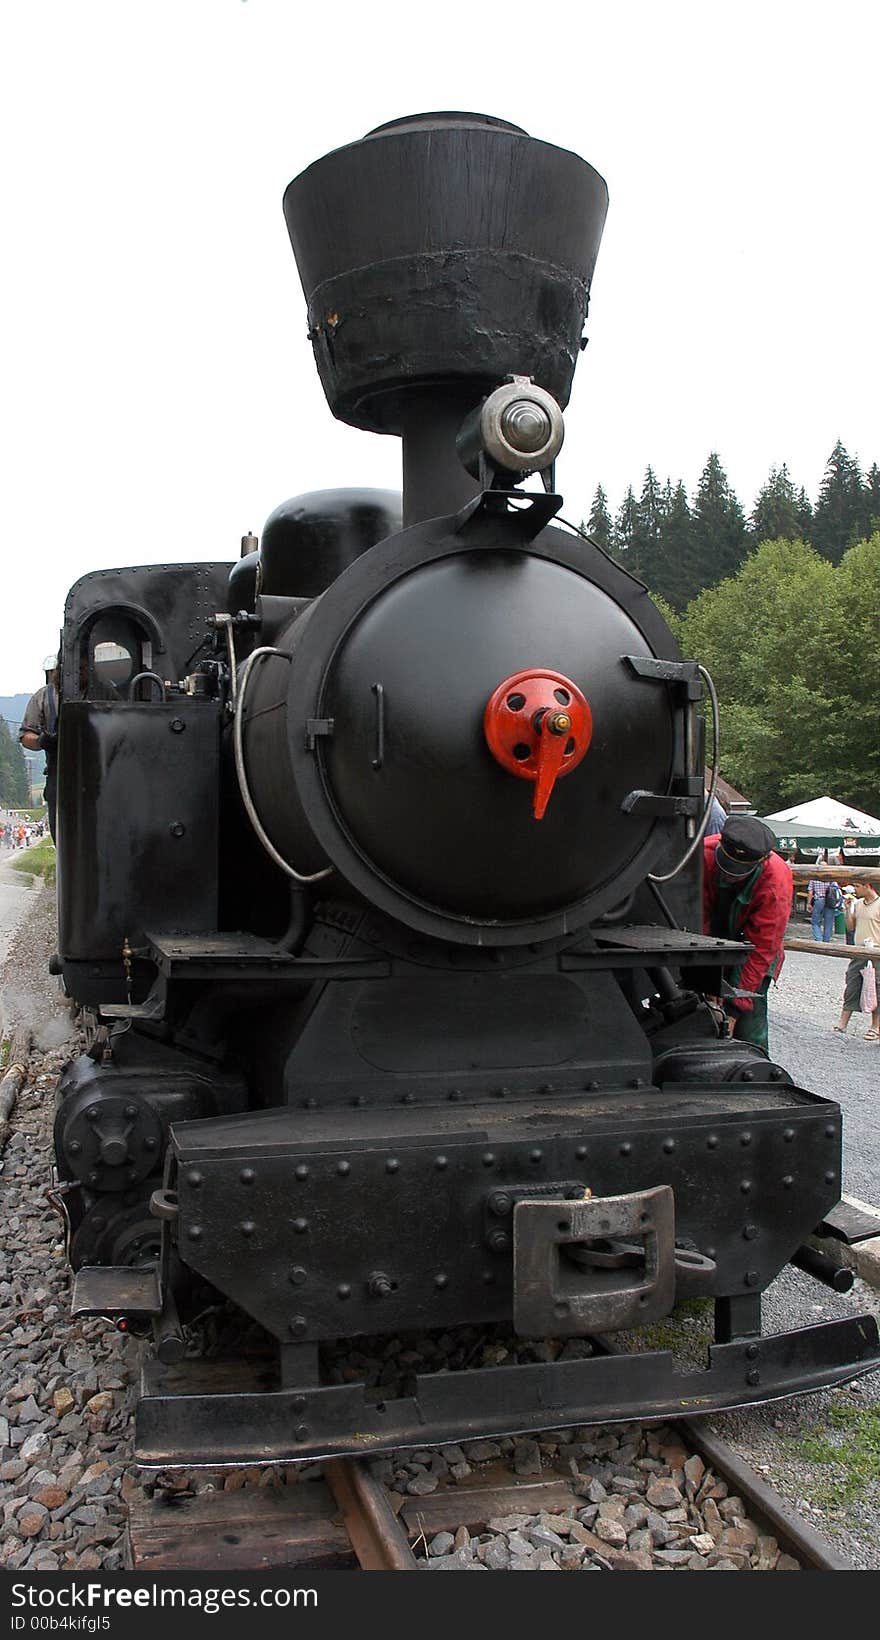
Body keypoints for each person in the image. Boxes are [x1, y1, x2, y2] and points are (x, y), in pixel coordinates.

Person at [702, 815, 793, 1053]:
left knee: (749, 1024)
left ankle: (755, 1066)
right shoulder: (703, 855)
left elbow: (762, 949)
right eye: (727, 867)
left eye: (738, 872)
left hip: (753, 946)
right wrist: (706, 981)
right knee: (697, 1008)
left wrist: (734, 1011)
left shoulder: (776, 883)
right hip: (708, 938)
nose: (730, 875)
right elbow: (697, 922)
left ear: (761, 862)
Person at [19, 657, 59, 844]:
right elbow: (26, 737)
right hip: (57, 772)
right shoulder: (42, 697)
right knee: (59, 831)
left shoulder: (106, 690)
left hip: (102, 771)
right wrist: (42, 741)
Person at [834, 878, 880, 1038]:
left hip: (876, 953)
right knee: (852, 985)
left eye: (858, 886)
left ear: (868, 886)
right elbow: (851, 927)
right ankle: (842, 1023)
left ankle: (875, 1027)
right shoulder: (859, 903)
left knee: (877, 989)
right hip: (859, 951)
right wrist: (848, 910)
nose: (855, 889)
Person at [807, 871, 834, 943]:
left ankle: (818, 938)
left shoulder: (814, 878)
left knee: (815, 921)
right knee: (828, 922)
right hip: (830, 900)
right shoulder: (831, 877)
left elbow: (810, 891)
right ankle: (826, 941)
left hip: (819, 900)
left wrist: (809, 903)